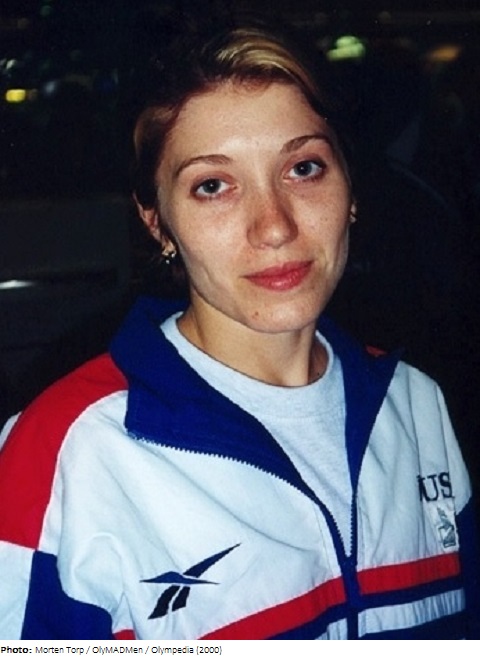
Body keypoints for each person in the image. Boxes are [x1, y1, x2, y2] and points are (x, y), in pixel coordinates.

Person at [0, 23, 478, 641]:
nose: (274, 226)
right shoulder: (71, 453)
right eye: (213, 186)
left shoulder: (416, 406)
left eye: (304, 167)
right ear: (158, 223)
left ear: (351, 189)